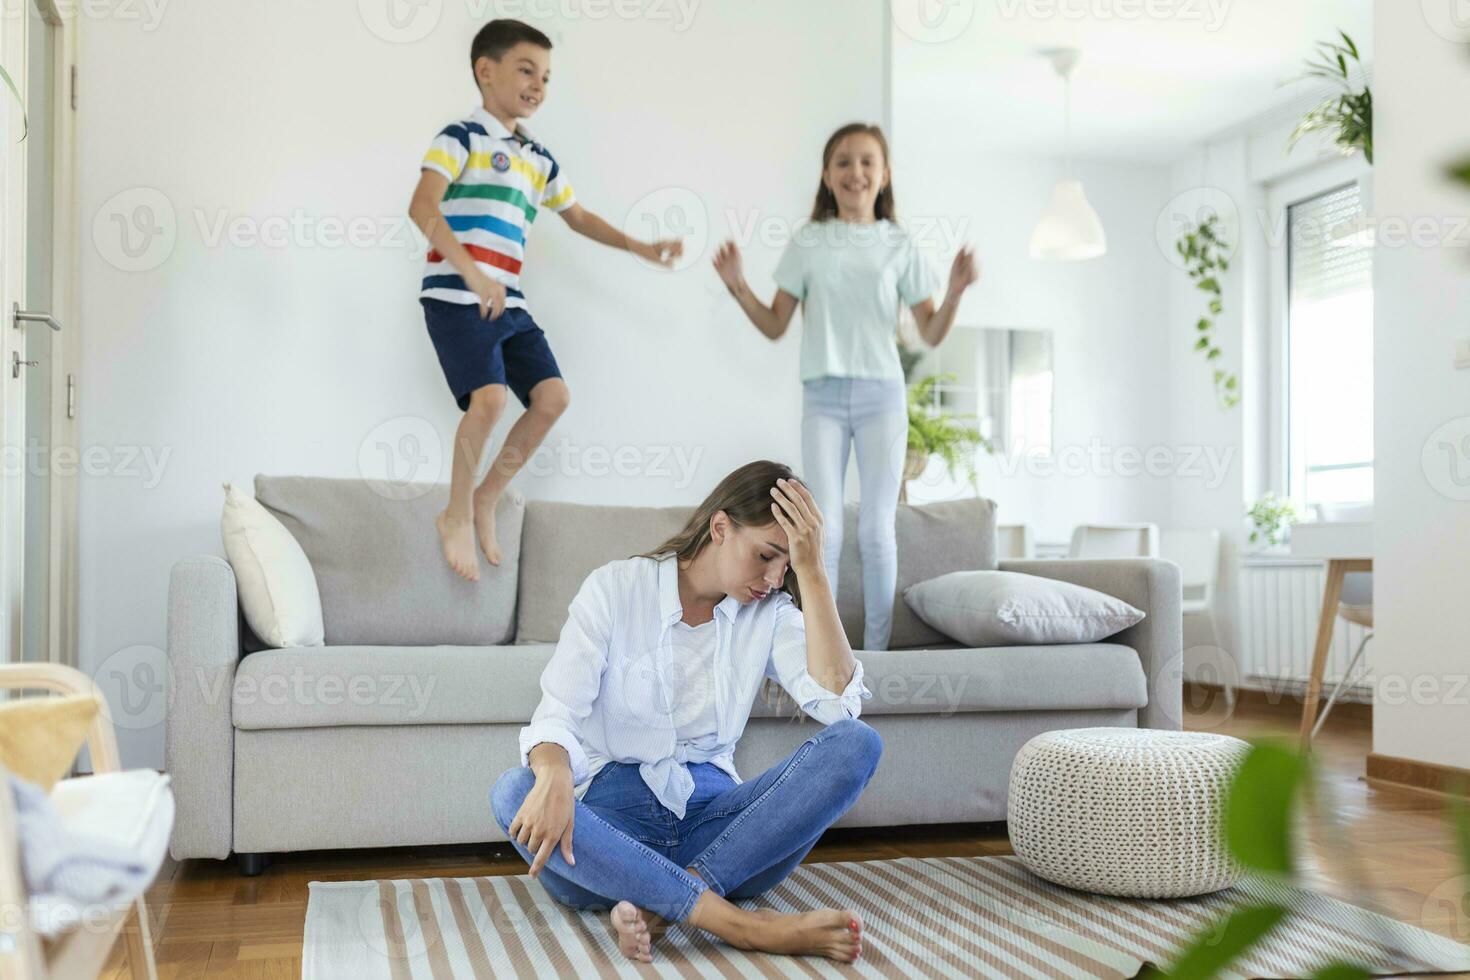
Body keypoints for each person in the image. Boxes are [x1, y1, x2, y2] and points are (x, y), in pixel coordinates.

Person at [490, 460, 881, 964]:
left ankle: (666, 900)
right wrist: (554, 773)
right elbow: (556, 713)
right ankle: (742, 926)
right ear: (720, 528)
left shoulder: (770, 613)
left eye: (786, 565)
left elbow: (837, 703)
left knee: (859, 743)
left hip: (723, 834)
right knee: (513, 792)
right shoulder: (616, 588)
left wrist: (814, 572)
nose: (772, 577)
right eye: (765, 555)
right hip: (612, 833)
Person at [407, 19, 683, 581]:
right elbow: (423, 209)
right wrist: (474, 275)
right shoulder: (460, 137)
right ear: (486, 71)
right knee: (488, 401)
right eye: (526, 70)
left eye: (547, 77)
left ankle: (487, 497)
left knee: (552, 398)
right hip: (457, 296)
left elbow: (576, 216)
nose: (538, 84)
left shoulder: (538, 156)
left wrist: (639, 246)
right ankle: (456, 512)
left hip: (508, 302)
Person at [713, 123, 979, 649]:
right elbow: (774, 324)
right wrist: (739, 286)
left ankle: (874, 656)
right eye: (843, 162)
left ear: (883, 176)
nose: (854, 172)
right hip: (824, 397)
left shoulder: (898, 244)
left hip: (882, 394)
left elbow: (927, 332)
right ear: (827, 175)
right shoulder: (809, 241)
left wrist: (953, 294)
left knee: (878, 528)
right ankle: (824, 650)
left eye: (865, 162)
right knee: (823, 527)